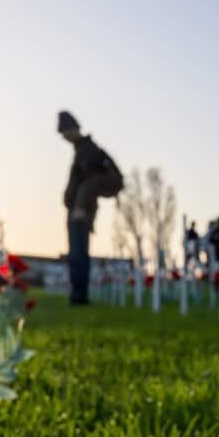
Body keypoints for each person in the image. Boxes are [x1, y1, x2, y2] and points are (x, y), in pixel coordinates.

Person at [59, 110, 122, 305]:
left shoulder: (90, 151)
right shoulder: (81, 150)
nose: (64, 137)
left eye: (65, 132)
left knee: (79, 255)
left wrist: (81, 204)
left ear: (73, 129)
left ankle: (80, 296)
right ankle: (78, 295)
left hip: (81, 212)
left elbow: (104, 181)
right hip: (76, 210)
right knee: (75, 254)